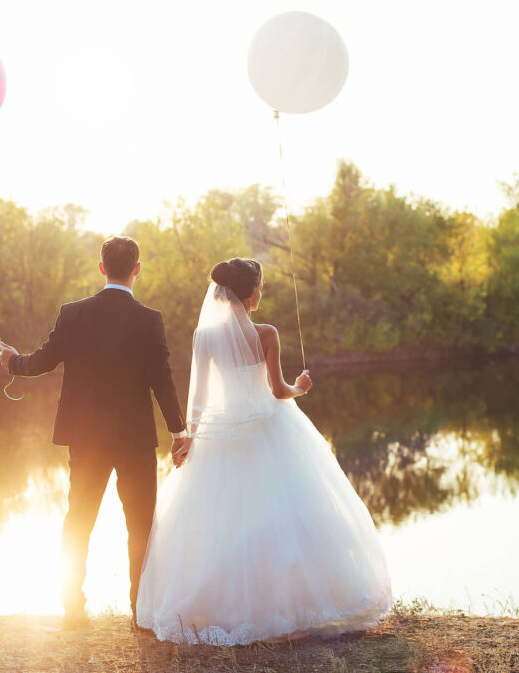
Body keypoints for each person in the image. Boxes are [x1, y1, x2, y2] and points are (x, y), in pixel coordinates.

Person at [134, 257, 393, 645]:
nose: (261, 293)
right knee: (285, 513)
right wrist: (301, 387)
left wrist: (189, 438)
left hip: (220, 430)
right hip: (269, 426)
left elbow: (199, 399)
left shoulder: (204, 337)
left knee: (221, 518)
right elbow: (277, 391)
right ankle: (290, 605)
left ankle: (226, 606)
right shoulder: (267, 333)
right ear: (250, 295)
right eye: (260, 288)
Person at [0, 236, 187, 630]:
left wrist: (13, 362)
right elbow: (162, 380)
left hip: (85, 438)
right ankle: (140, 612)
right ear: (137, 269)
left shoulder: (74, 313)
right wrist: (179, 431)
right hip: (135, 439)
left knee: (79, 519)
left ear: (101, 268)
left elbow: (44, 361)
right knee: (140, 525)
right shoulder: (149, 319)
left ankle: (73, 609)